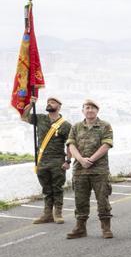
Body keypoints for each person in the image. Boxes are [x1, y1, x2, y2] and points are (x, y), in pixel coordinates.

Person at [65, 99, 115, 239]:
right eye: (87, 108)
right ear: (83, 111)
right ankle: (80, 228)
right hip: (80, 170)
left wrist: (91, 160)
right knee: (80, 200)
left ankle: (106, 228)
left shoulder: (105, 126)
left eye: (93, 108)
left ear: (97, 111)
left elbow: (106, 145)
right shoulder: (76, 127)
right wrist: (81, 160)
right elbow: (71, 145)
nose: (90, 110)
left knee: (102, 200)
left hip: (99, 170)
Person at [23, 96, 71, 225]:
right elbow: (24, 117)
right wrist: (30, 104)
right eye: (48, 102)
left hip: (57, 161)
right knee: (46, 189)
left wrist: (68, 161)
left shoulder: (65, 125)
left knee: (57, 188)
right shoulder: (41, 118)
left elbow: (70, 144)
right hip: (42, 161)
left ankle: (58, 213)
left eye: (53, 102)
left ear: (59, 106)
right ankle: (47, 214)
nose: (49, 104)